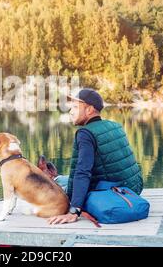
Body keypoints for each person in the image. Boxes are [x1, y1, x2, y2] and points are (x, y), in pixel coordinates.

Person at [47, 88, 143, 225]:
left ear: (89, 110)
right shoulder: (115, 126)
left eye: (75, 107)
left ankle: (52, 179)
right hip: (132, 188)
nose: (70, 111)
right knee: (65, 180)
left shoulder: (86, 134)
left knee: (59, 187)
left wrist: (74, 211)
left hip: (110, 193)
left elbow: (83, 172)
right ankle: (55, 178)